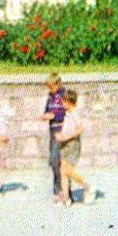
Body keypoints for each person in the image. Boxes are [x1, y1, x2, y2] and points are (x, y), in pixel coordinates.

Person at [56, 89, 95, 206]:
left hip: (72, 145)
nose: (62, 104)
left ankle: (88, 186)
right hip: (65, 144)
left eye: (63, 102)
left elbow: (80, 129)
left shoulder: (74, 113)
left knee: (68, 170)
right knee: (63, 171)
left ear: (68, 101)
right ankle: (66, 198)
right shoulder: (68, 113)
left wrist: (66, 137)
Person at [40, 72, 67, 202]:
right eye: (48, 87)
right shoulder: (50, 97)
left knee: (60, 161)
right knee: (54, 161)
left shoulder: (64, 95)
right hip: (53, 131)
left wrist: (54, 116)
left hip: (62, 130)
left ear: (58, 84)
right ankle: (57, 189)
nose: (50, 89)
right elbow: (47, 111)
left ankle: (64, 190)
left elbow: (67, 112)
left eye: (52, 86)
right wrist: (45, 115)